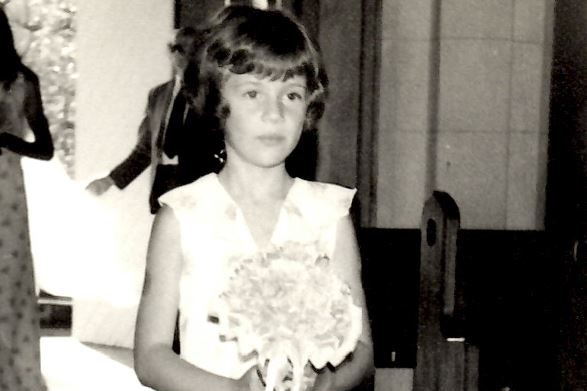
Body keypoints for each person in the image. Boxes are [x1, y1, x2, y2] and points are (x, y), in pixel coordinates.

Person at [134, 5, 374, 391]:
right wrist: (234, 389)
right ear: (216, 102)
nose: (274, 113)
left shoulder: (329, 215)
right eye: (252, 93)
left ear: (308, 108)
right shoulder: (182, 217)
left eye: (291, 95)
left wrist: (328, 383)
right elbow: (150, 356)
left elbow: (362, 350)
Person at [86, 27, 223, 214]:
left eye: (192, 50)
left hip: (200, 190)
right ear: (171, 51)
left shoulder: (210, 95)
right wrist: (110, 180)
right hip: (164, 187)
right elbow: (145, 148)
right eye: (179, 49)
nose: (184, 56)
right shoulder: (157, 95)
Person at [0, 6, 54, 391]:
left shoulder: (22, 81)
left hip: (6, 194)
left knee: (9, 284)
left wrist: (7, 140)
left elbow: (46, 148)